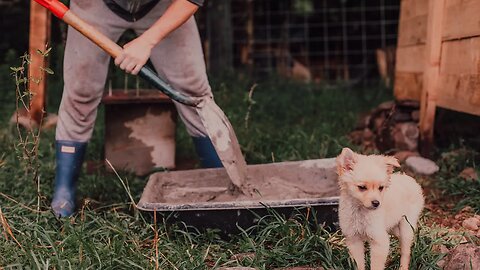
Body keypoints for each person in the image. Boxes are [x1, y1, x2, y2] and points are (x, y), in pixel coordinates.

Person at [52, 0, 227, 217]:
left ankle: (223, 180)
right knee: (81, 91)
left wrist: (147, 41)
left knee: (193, 90)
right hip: (96, 5)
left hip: (163, 7)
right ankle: (64, 190)